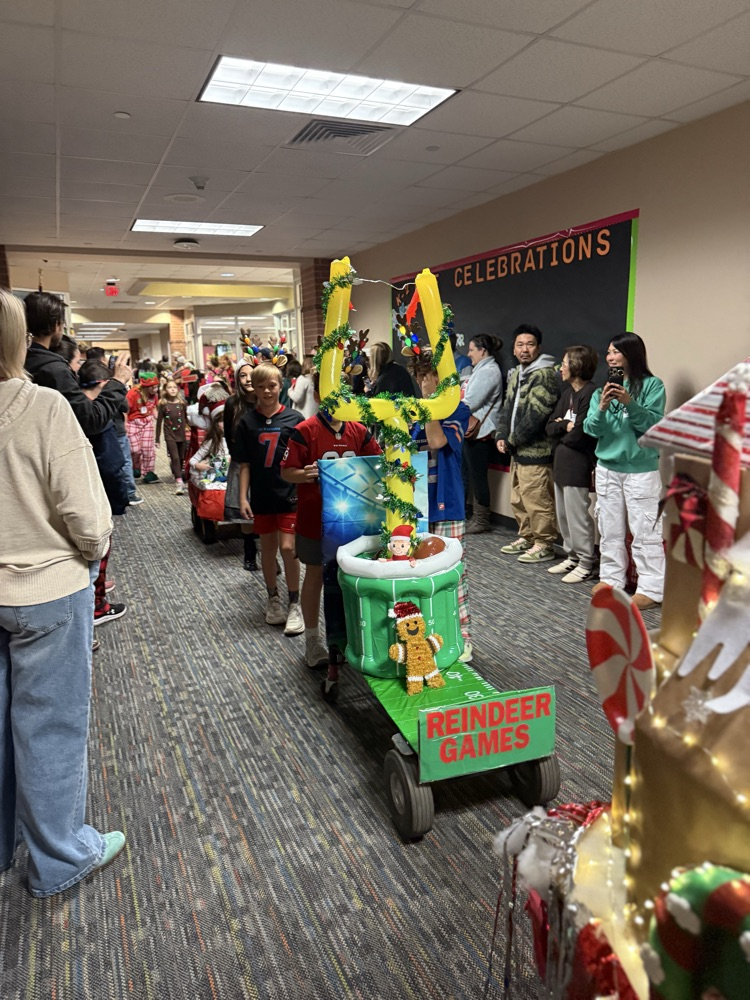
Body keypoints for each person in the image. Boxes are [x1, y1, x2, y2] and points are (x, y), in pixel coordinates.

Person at [0, 288, 125, 897]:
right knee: (49, 725)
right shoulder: (42, 406)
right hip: (46, 589)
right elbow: (89, 521)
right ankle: (57, 859)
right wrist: (92, 549)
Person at [281, 372, 381, 671]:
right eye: (330, 395)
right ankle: (313, 640)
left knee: (354, 577)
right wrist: (308, 473)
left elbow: (377, 465)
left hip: (353, 521)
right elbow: (287, 471)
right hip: (315, 520)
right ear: (317, 397)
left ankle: (356, 637)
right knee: (315, 576)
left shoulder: (359, 430)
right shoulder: (304, 430)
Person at [583, 332, 666, 610]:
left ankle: (652, 587)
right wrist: (604, 407)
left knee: (645, 529)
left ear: (632, 354)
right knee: (609, 529)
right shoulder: (600, 391)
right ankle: (611, 579)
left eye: (615, 352)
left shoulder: (653, 386)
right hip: (607, 468)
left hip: (640, 470)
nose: (610, 357)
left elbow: (653, 426)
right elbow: (591, 429)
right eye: (608, 352)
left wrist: (630, 402)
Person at [412, 350, 474, 661]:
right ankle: (424, 637)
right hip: (416, 508)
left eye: (432, 375)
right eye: (422, 376)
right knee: (419, 572)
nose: (427, 381)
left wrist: (427, 405)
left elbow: (436, 441)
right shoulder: (412, 412)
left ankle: (463, 636)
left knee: (452, 572)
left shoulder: (459, 411)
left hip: (447, 505)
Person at [235, 363, 304, 635]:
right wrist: (242, 498)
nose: (266, 391)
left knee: (289, 548)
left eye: (272, 386)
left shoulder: (295, 419)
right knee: (268, 549)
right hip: (262, 495)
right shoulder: (247, 421)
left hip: (289, 493)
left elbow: (302, 458)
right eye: (261, 386)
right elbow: (244, 464)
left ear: (281, 386)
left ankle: (294, 602)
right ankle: (272, 597)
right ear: (253, 387)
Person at [24, 291, 131, 438]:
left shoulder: (20, 359)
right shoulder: (53, 370)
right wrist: (118, 381)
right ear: (56, 325)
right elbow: (90, 421)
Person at [496, 324, 560, 563]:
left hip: (536, 451)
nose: (525, 349)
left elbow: (536, 415)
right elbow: (507, 408)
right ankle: (528, 537)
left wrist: (511, 440)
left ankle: (544, 543)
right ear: (514, 349)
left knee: (537, 501)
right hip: (517, 450)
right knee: (519, 498)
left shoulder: (543, 374)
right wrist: (501, 435)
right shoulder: (517, 374)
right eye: (520, 345)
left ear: (538, 348)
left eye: (530, 344)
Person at [78, 359, 129, 626]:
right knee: (99, 547)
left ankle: (96, 594)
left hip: (89, 492)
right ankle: (98, 605)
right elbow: (111, 466)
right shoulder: (95, 415)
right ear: (102, 384)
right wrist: (120, 500)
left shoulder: (77, 408)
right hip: (97, 495)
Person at [545, 345, 599, 584]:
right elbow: (549, 427)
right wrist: (563, 426)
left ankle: (587, 561)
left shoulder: (590, 393)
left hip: (578, 463)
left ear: (577, 365)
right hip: (561, 462)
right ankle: (572, 555)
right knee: (564, 515)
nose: (561, 368)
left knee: (578, 514)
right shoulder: (567, 393)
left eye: (565, 363)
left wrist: (564, 428)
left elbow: (581, 434)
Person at [462, 334, 504, 534]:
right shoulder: (482, 369)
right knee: (472, 473)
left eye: (472, 350)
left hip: (482, 433)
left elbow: (471, 401)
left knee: (478, 476)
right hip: (476, 432)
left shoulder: (489, 371)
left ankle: (481, 520)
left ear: (483, 350)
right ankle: (477, 517)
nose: (469, 354)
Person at [224, 357, 259, 571]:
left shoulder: (265, 400)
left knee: (264, 511)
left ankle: (267, 552)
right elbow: (229, 435)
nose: (247, 379)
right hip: (241, 463)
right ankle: (249, 552)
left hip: (263, 464)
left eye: (250, 375)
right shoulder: (232, 403)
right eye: (242, 375)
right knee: (245, 513)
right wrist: (237, 458)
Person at [125, 370, 160, 484]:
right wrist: (124, 424)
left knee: (147, 448)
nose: (155, 389)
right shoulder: (133, 393)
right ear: (146, 387)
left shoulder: (154, 395)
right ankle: (136, 467)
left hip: (147, 421)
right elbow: (125, 410)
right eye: (153, 387)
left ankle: (149, 472)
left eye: (156, 387)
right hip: (133, 422)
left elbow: (154, 407)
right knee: (134, 449)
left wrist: (159, 419)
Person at [155, 377, 188, 495]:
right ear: (165, 390)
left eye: (174, 387)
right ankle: (179, 481)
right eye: (169, 387)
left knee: (181, 458)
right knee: (174, 457)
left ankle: (177, 470)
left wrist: (190, 430)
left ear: (178, 389)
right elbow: (159, 422)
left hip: (181, 433)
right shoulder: (163, 404)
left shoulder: (182, 404)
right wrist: (157, 438)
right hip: (169, 434)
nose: (172, 389)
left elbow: (187, 419)